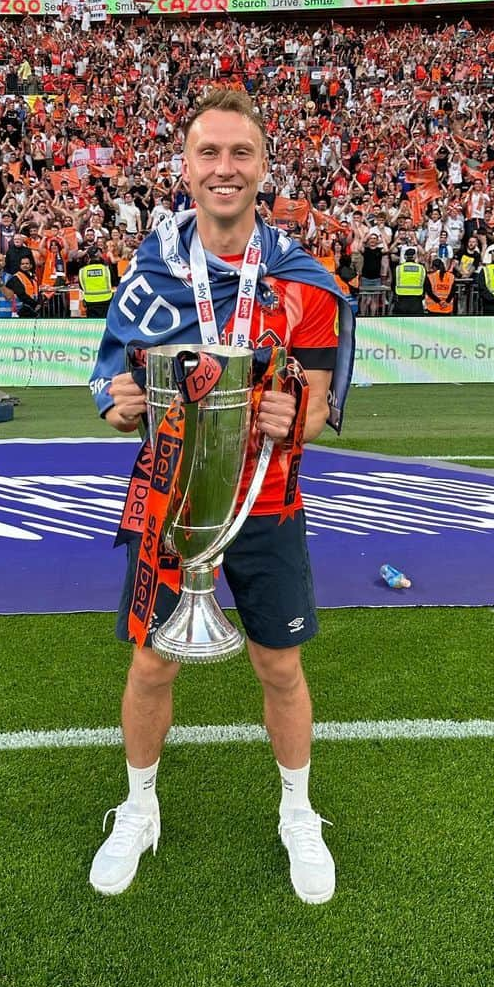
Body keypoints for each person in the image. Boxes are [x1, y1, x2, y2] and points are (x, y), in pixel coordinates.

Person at [88, 89, 354, 905]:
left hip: (266, 504)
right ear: (187, 169)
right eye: (210, 154)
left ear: (264, 169)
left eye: (240, 154)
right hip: (170, 502)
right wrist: (115, 401)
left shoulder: (303, 283)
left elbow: (314, 403)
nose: (224, 169)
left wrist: (292, 411)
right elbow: (107, 371)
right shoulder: (151, 273)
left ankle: (298, 813)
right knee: (150, 659)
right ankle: (137, 809)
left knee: (280, 663)